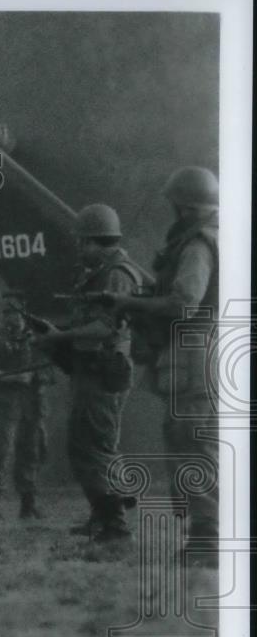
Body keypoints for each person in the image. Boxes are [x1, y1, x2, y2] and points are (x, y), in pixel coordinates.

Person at [98, 167, 219, 566]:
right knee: (190, 441)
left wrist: (130, 303)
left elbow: (185, 303)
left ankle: (207, 542)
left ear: (184, 205)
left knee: (191, 444)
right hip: (201, 349)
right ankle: (205, 535)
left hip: (193, 350)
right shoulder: (214, 236)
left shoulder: (197, 244)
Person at [34, 204, 144, 543]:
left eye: (84, 243)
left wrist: (59, 337)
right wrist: (58, 333)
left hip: (103, 370)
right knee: (89, 444)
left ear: (99, 241)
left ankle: (115, 522)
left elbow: (104, 327)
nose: (80, 249)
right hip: (91, 370)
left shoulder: (117, 275)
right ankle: (104, 513)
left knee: (93, 446)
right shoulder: (100, 272)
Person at [0, 293, 52, 520]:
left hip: (33, 403)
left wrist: (37, 376)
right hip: (5, 402)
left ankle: (28, 505)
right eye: (7, 311)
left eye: (16, 311)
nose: (11, 316)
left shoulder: (37, 338)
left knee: (32, 452)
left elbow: (49, 370)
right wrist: (14, 378)